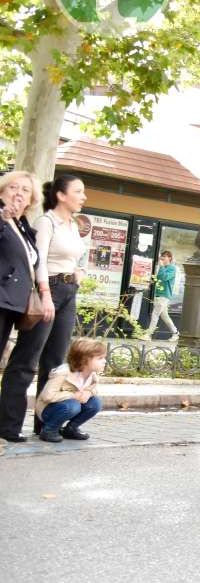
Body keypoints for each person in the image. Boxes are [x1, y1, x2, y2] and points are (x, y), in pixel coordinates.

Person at [2, 174, 89, 440]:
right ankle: (8, 425)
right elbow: (37, 261)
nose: (84, 197)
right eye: (79, 191)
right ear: (61, 195)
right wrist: (45, 292)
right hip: (46, 291)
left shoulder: (73, 225)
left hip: (68, 292)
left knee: (54, 363)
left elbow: (76, 256)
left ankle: (46, 425)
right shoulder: (45, 221)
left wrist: (78, 271)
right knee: (27, 360)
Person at [0, 171, 44, 443]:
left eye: (25, 190)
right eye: (12, 187)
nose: (18, 193)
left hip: (11, 303)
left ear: (31, 199)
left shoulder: (23, 226)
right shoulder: (3, 219)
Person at [35, 338, 106, 443]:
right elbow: (47, 396)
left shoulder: (92, 374)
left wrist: (88, 392)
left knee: (95, 403)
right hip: (48, 410)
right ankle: (49, 430)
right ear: (84, 360)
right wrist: (73, 396)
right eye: (100, 358)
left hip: (68, 405)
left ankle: (71, 429)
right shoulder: (63, 372)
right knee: (73, 406)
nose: (104, 361)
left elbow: (93, 389)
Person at [144, 250, 179, 340]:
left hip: (164, 295)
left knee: (155, 314)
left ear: (170, 258)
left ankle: (148, 334)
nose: (162, 258)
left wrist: (162, 267)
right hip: (158, 294)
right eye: (162, 256)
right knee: (164, 316)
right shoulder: (162, 268)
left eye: (165, 256)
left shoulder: (172, 268)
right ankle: (175, 333)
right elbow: (158, 280)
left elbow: (165, 277)